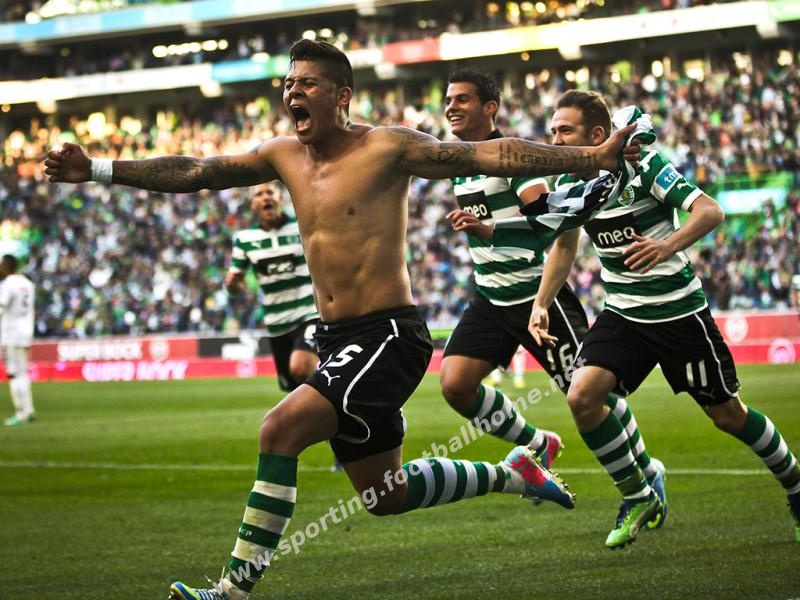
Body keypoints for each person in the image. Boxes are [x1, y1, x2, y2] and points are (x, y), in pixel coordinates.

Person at [45, 40, 640, 600]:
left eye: (306, 83)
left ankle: (229, 590)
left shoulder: (386, 148)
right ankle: (515, 473)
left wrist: (590, 157)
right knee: (386, 494)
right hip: (337, 339)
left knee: (279, 430)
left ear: (341, 95)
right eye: (288, 84)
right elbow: (198, 171)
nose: (292, 92)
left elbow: (487, 153)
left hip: (389, 335)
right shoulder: (282, 155)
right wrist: (98, 169)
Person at [528, 89, 800, 548]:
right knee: (582, 397)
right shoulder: (571, 185)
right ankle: (639, 495)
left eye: (565, 131)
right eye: (553, 130)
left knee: (728, 415)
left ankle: (796, 485)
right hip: (623, 313)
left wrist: (665, 245)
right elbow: (564, 244)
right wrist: (541, 302)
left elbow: (710, 210)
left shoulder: (644, 166)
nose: (555, 140)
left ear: (598, 135)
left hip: (677, 312)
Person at [441, 69, 666, 511]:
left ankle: (647, 469)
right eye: (448, 100)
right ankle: (537, 445)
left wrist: (494, 229)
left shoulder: (512, 159)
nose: (451, 107)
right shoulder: (460, 166)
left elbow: (545, 217)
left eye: (462, 99)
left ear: (490, 108)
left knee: (590, 394)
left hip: (536, 296)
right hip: (490, 298)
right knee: (455, 385)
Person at [226, 182, 343, 474]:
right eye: (259, 194)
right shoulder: (245, 239)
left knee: (301, 367)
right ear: (253, 205)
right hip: (277, 325)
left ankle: (345, 435)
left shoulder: (300, 226)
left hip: (309, 313)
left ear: (280, 199)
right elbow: (236, 284)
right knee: (299, 391)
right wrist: (233, 284)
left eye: (270, 193)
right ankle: (342, 430)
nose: (265, 197)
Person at [0, 254, 36, 426]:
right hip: (26, 332)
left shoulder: (8, 284)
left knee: (14, 374)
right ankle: (28, 410)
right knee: (23, 373)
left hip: (11, 333)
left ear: (7, 266)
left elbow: (1, 307)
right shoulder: (28, 284)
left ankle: (21, 412)